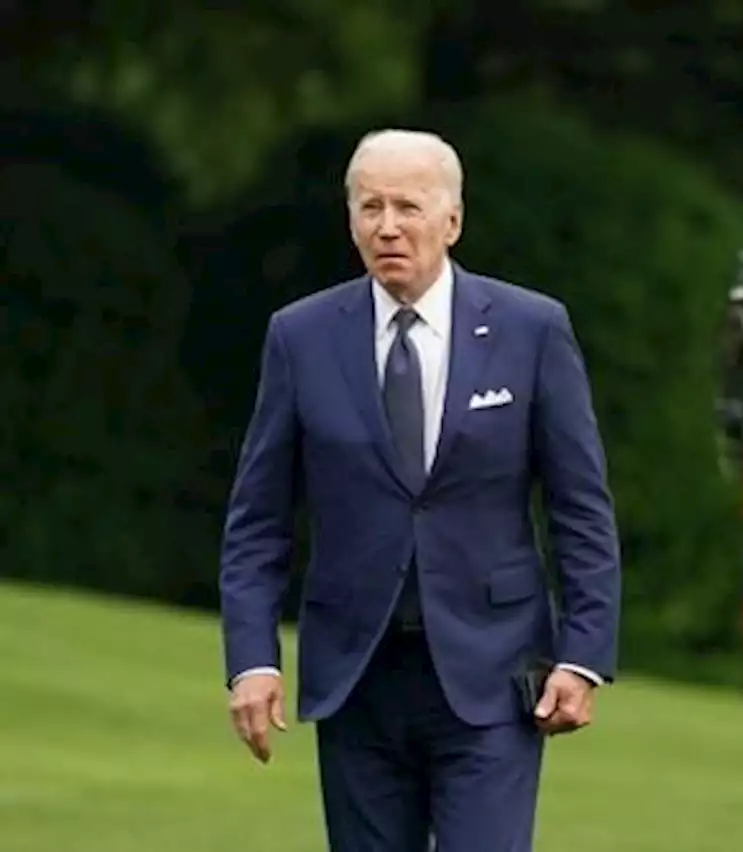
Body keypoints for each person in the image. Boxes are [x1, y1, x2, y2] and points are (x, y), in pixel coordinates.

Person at [218, 128, 622, 852]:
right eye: (370, 207)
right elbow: (258, 518)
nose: (388, 226)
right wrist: (252, 659)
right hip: (356, 676)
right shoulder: (300, 336)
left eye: (408, 206)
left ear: (453, 221)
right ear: (350, 220)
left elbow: (580, 506)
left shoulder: (532, 330)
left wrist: (584, 653)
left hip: (492, 673)